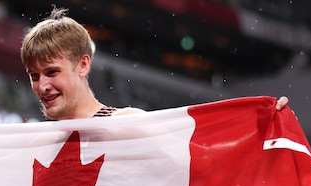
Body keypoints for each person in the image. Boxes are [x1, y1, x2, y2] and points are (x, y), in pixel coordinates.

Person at [20, 7, 288, 121]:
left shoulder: (125, 124)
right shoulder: (41, 145)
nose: (42, 86)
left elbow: (200, 160)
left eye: (52, 72)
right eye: (34, 76)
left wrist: (257, 125)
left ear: (83, 65)